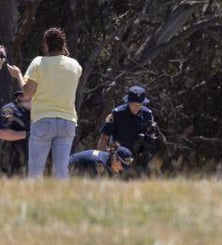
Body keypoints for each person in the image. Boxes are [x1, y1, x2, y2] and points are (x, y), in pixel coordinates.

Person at [23, 27, 82, 178]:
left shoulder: (38, 63)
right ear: (63, 45)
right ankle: (60, 201)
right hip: (67, 121)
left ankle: (32, 201)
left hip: (43, 120)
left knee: (35, 171)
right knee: (61, 171)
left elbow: (27, 94)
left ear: (46, 45)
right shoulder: (75, 65)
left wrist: (18, 77)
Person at [97, 85, 160, 169]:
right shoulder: (117, 113)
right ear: (128, 102)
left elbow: (153, 136)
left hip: (139, 157)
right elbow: (104, 136)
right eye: (133, 104)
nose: (136, 108)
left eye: (139, 105)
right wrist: (100, 160)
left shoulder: (148, 114)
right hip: (118, 156)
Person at [0, 89, 32, 175]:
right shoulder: (9, 110)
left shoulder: (32, 113)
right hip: (9, 163)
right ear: (21, 97)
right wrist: (28, 134)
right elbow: (3, 133)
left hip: (25, 163)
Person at [68, 146, 134, 177]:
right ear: (115, 158)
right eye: (122, 165)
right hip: (65, 172)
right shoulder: (99, 163)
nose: (122, 169)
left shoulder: (107, 158)